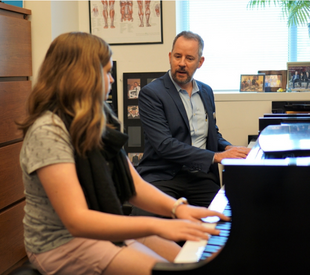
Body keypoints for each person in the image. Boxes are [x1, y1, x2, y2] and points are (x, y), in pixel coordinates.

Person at [17, 32, 228, 275]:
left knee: (189, 262)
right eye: (107, 72)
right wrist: (157, 227)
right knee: (169, 270)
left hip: (103, 227)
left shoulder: (98, 120)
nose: (112, 80)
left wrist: (179, 209)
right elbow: (76, 220)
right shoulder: (48, 131)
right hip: (61, 243)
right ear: (82, 75)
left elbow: (133, 186)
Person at [131, 31, 250, 217]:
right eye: (177, 56)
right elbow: (164, 145)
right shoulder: (151, 93)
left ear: (200, 62)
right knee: (148, 225)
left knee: (230, 217)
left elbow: (211, 134)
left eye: (189, 58)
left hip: (201, 177)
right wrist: (216, 156)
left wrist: (230, 148)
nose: (182, 63)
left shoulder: (206, 91)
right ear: (170, 57)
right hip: (164, 176)